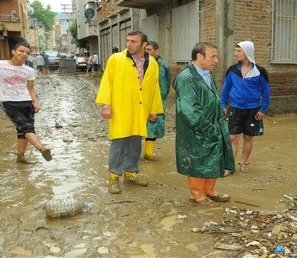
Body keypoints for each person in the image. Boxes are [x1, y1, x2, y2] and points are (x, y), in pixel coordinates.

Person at [96, 31, 163, 194]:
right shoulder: (116, 59)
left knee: (135, 144)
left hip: (140, 109)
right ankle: (113, 178)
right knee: (118, 145)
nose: (129, 44)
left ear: (144, 45)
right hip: (121, 109)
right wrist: (106, 105)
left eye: (133, 41)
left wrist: (154, 110)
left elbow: (154, 87)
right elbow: (106, 82)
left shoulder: (152, 63)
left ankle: (131, 174)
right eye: (128, 41)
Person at [174, 42, 235, 206]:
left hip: (212, 125)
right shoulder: (186, 78)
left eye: (216, 56)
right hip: (197, 129)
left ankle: (209, 191)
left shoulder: (206, 74)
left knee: (213, 157)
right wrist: (208, 127)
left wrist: (218, 119)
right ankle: (197, 195)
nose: (216, 60)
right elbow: (189, 109)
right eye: (212, 56)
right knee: (198, 160)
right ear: (199, 57)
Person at [221, 41, 270, 175]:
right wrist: (223, 104)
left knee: (248, 138)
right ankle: (230, 167)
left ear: (247, 53)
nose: (235, 54)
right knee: (233, 138)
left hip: (253, 110)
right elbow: (226, 88)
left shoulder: (260, 71)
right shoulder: (232, 70)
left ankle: (243, 163)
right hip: (235, 108)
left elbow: (266, 91)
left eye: (238, 51)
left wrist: (263, 109)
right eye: (235, 51)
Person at [0, 42, 52, 163]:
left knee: (23, 131)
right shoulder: (1, 65)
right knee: (25, 127)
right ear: (13, 51)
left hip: (27, 101)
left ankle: (21, 157)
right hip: (9, 102)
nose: (24, 54)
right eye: (21, 51)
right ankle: (42, 149)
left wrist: (36, 102)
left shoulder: (29, 70)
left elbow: (30, 88)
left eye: (27, 53)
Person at [144, 41, 171, 161]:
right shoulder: (140, 64)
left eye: (149, 50)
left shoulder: (163, 65)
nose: (147, 52)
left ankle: (148, 152)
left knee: (154, 128)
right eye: (145, 49)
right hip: (144, 100)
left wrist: (163, 95)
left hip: (159, 100)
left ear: (156, 50)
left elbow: (168, 81)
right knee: (140, 126)